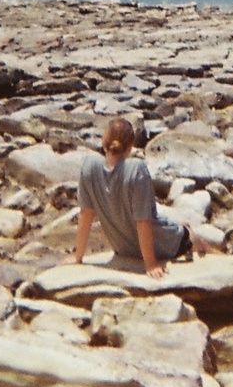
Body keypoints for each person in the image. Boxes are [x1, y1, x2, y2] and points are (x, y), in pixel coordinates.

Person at [71, 118, 193, 278]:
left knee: (180, 225)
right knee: (191, 236)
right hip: (165, 247)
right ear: (130, 147)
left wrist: (77, 257)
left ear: (103, 142)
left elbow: (86, 214)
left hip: (123, 248)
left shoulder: (89, 167)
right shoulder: (136, 169)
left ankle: (182, 228)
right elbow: (143, 221)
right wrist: (150, 264)